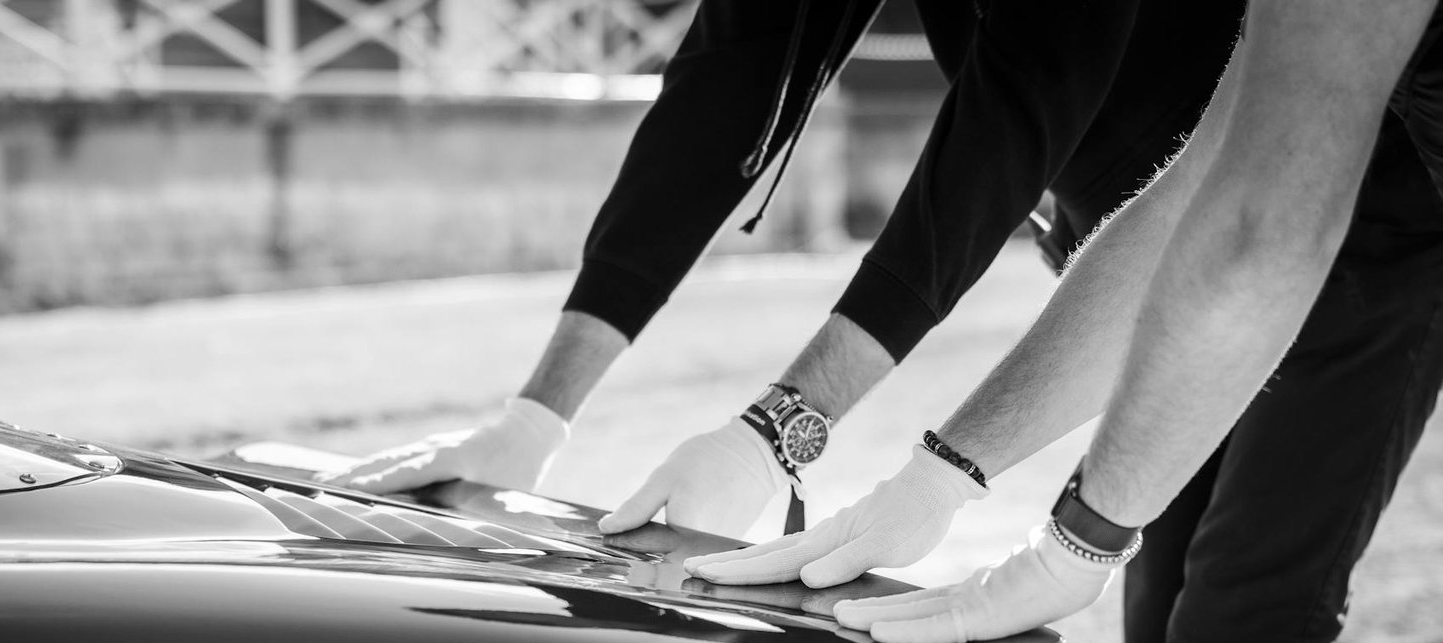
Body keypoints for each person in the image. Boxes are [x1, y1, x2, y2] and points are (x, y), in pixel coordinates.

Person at [688, 1, 1443, 643]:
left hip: (1388, 242)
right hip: (1341, 214)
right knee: (1169, 641)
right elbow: (1200, 189)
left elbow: (1258, 228)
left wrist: (1081, 539)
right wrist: (941, 475)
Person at [322, 0, 1247, 542]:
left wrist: (778, 431)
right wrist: (535, 416)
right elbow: (719, 95)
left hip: (1285, 230)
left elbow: (1013, 114)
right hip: (1116, 248)